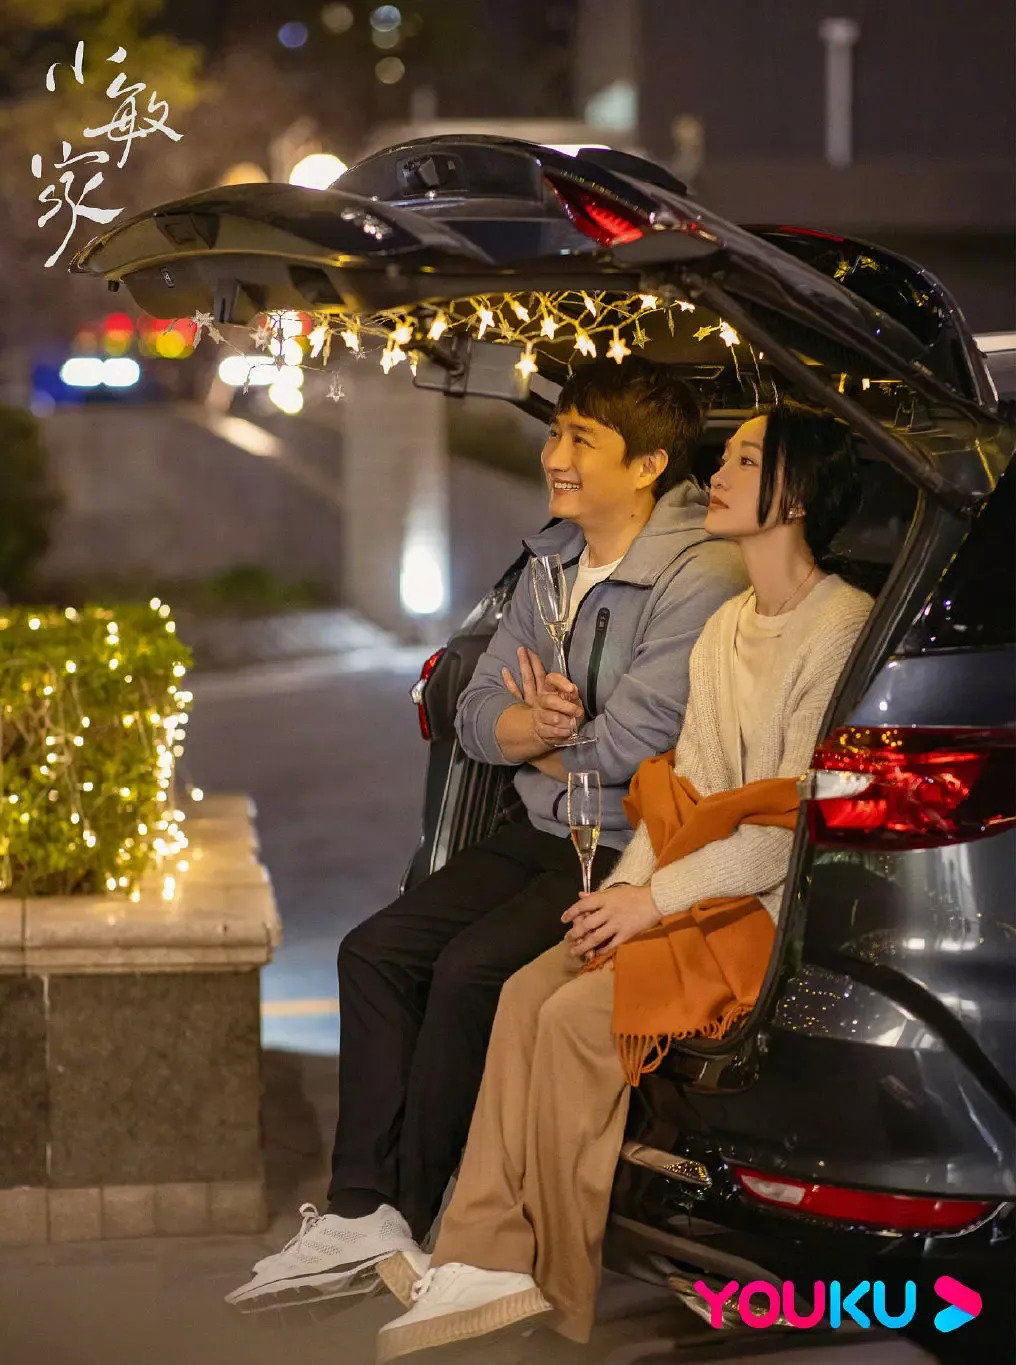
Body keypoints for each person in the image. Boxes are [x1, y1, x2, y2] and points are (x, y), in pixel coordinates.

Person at [226, 357, 747, 1311]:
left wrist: (539, 738)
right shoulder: (552, 560)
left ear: (646, 466)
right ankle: (360, 1209)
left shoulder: (698, 573)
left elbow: (638, 743)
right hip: (544, 824)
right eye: (556, 433)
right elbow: (473, 714)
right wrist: (539, 731)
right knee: (374, 950)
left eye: (581, 439)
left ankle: (420, 1214)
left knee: (471, 970)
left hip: (626, 845)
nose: (554, 455)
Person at [373, 399, 874, 1361]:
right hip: (691, 881)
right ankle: (476, 1256)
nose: (716, 473)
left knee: (570, 1017)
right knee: (525, 991)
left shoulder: (838, 626)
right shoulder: (729, 625)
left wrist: (649, 901)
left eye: (743, 460)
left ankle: (555, 1295)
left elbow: (785, 836)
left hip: (760, 909)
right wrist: (620, 895)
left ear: (796, 496)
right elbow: (683, 796)